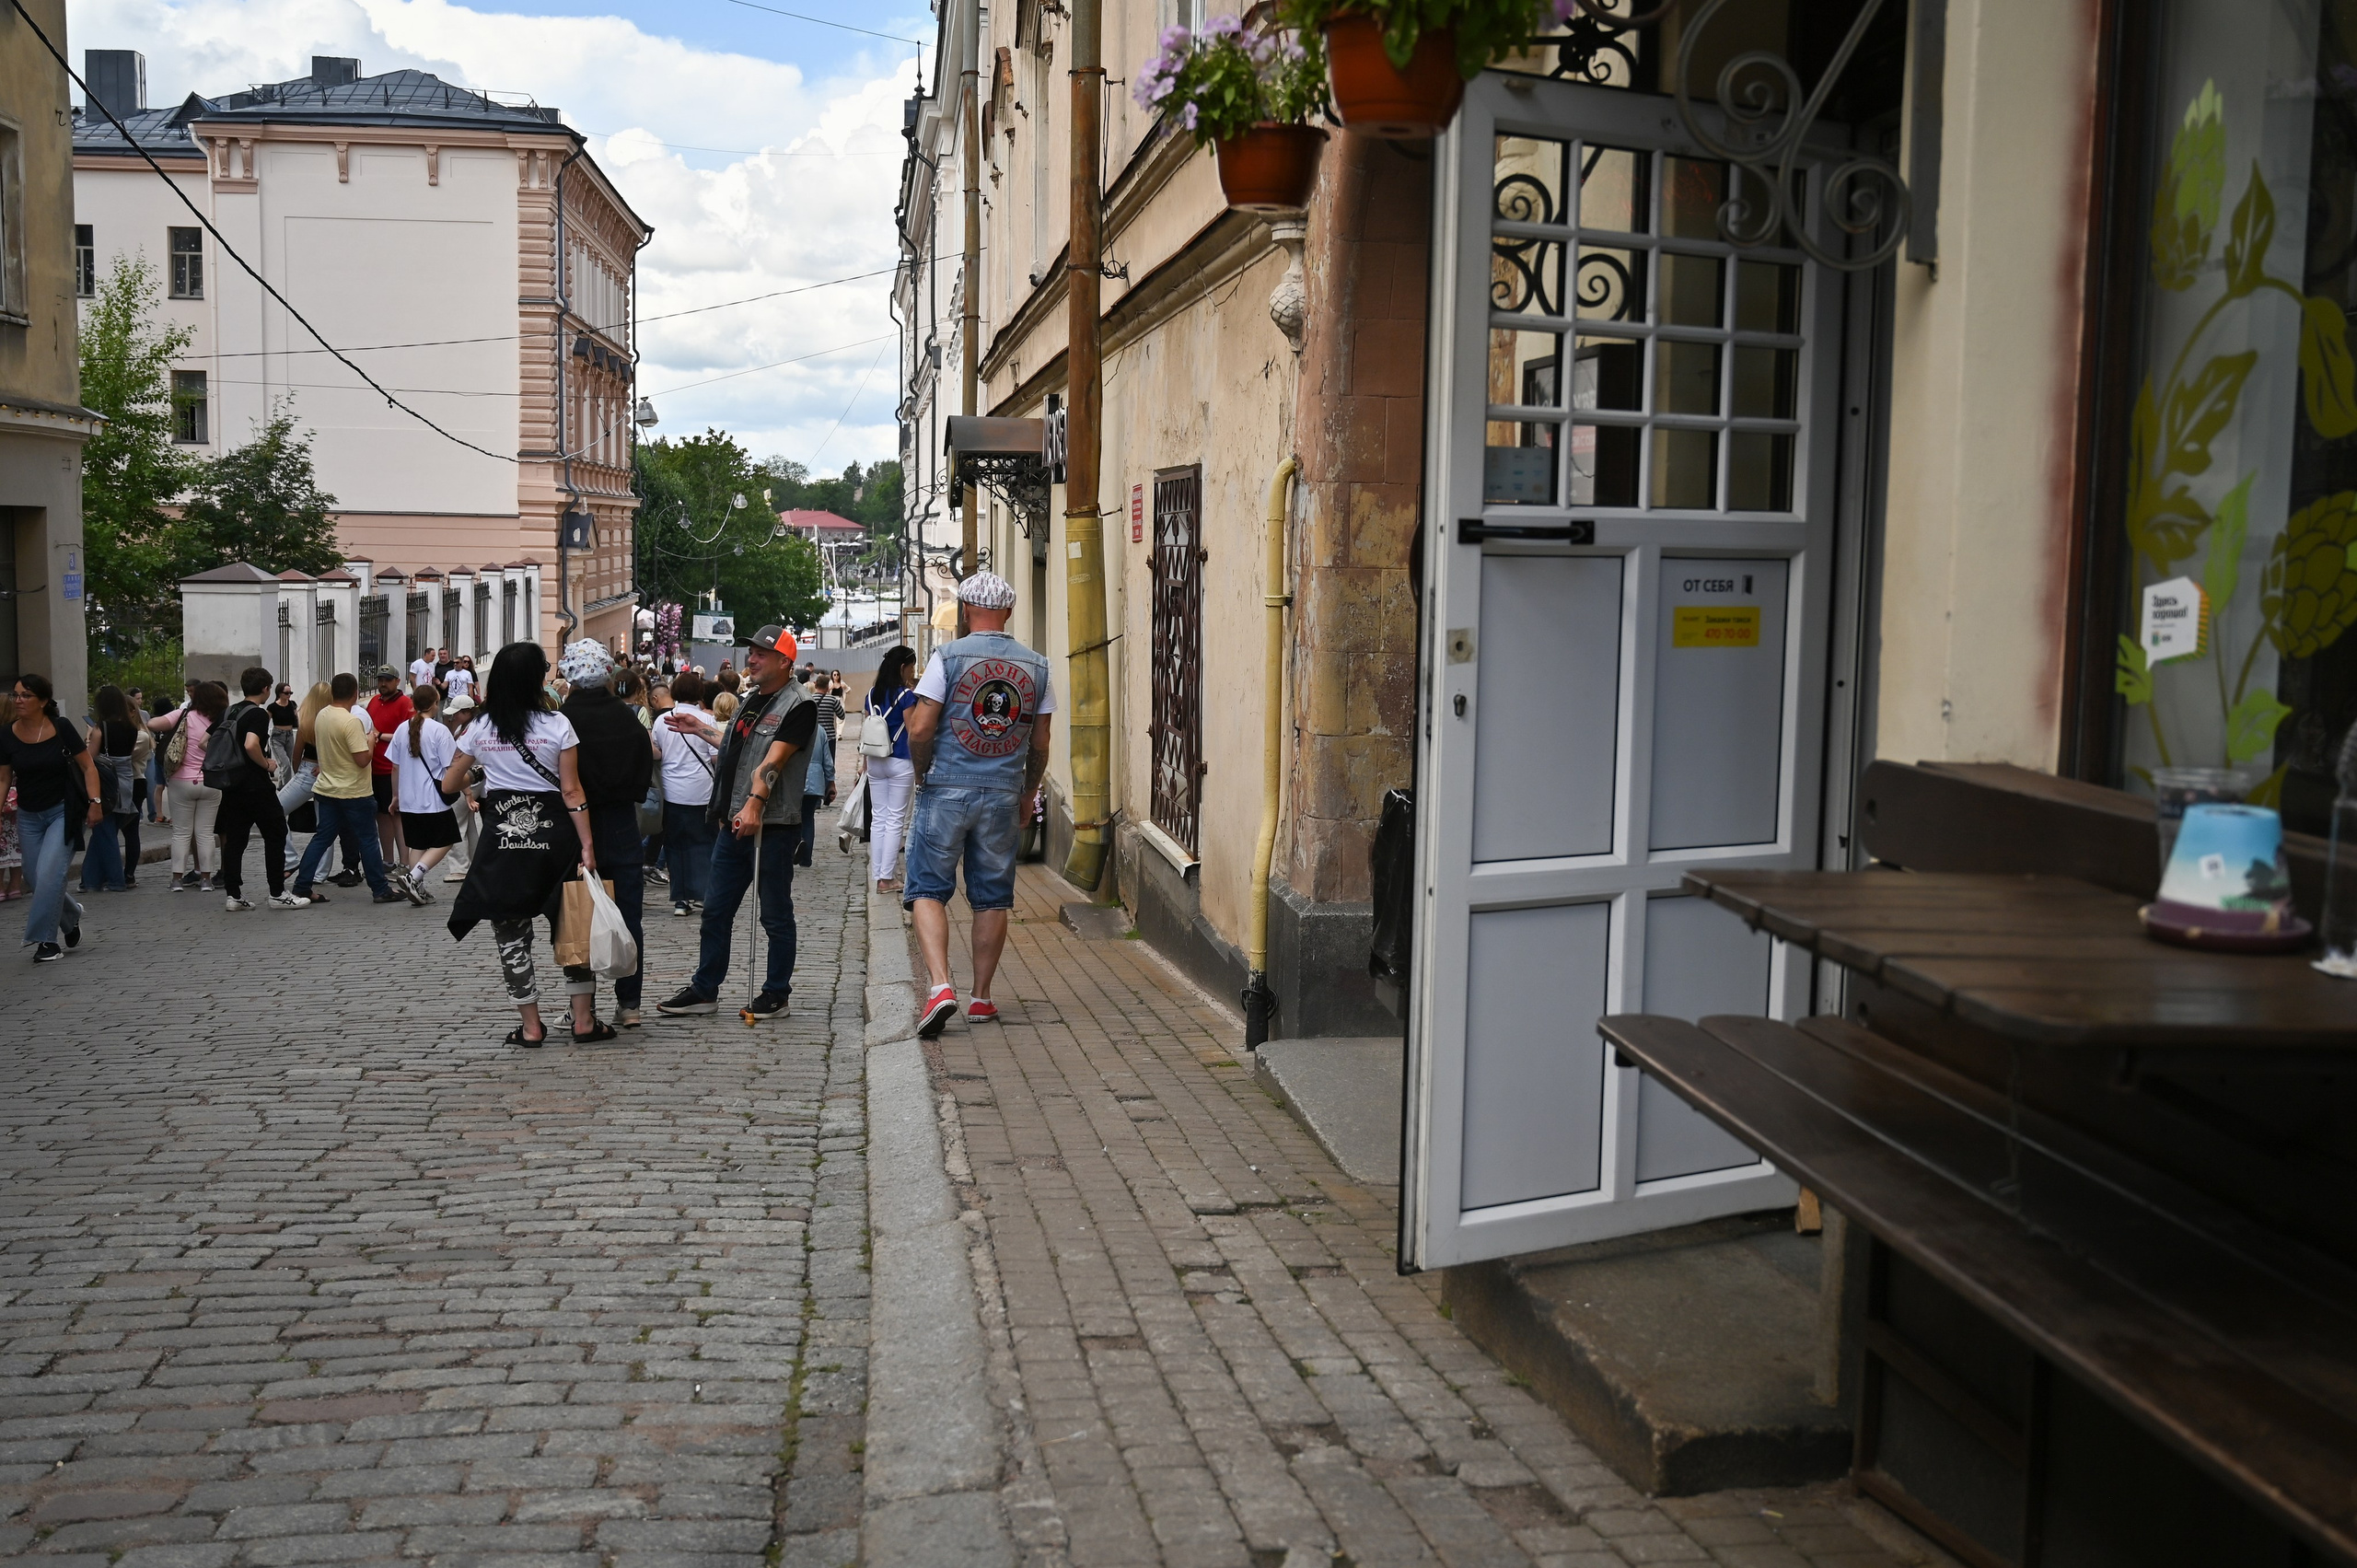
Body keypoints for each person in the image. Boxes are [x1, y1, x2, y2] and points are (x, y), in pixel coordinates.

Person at [903, 573, 1054, 1037]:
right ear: (1008, 612)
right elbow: (1041, 742)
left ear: (967, 610)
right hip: (1003, 792)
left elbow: (921, 728)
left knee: (928, 887)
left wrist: (922, 770)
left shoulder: (946, 658)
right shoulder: (1038, 667)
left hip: (946, 787)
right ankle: (982, 998)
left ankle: (941, 987)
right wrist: (1028, 792)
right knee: (991, 895)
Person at [654, 625, 815, 1021]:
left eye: (761, 653)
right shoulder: (750, 700)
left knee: (775, 915)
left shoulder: (799, 705)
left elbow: (773, 761)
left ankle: (776, 992)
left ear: (784, 661)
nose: (752, 658)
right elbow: (738, 745)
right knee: (715, 911)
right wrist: (701, 729)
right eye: (751, 651)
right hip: (731, 825)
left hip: (771, 828)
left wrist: (756, 804)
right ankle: (704, 989)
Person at [443, 641, 598, 1048]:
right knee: (574, 927)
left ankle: (531, 1027)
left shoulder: (478, 728)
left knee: (510, 933)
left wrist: (480, 776)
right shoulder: (558, 726)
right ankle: (583, 1021)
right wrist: (587, 845)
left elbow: (447, 783)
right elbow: (572, 791)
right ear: (534, 678)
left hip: (504, 842)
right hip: (557, 841)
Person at [558, 642, 654, 1030]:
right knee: (628, 914)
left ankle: (583, 1006)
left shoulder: (563, 719)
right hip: (620, 821)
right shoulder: (627, 717)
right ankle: (629, 1002)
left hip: (575, 825)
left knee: (579, 912)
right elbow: (644, 765)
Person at [2, 674, 103, 961]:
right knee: (36, 879)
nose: (18, 700)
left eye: (26, 696)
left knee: (49, 875)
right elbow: (3, 779)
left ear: (44, 701)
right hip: (28, 816)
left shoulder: (61, 727)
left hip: (63, 811)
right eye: (16, 695)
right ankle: (70, 914)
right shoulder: (7, 734)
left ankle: (46, 942)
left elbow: (88, 767)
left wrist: (95, 803)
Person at [291, 673, 402, 905]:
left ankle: (302, 885)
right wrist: (371, 741)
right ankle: (380, 889)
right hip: (354, 791)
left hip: (327, 789)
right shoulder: (351, 721)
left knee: (321, 838)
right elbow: (362, 760)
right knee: (368, 840)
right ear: (354, 693)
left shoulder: (322, 714)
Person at [215, 666, 307, 912]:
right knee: (276, 833)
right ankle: (277, 892)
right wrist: (266, 763)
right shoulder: (257, 714)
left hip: (232, 785)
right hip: (255, 784)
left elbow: (206, 742)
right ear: (266, 689)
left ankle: (233, 895)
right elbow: (250, 744)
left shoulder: (229, 712)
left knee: (235, 839)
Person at [652, 671, 718, 919]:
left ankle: (681, 898)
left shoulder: (662, 720)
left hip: (672, 790)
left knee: (675, 845)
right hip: (702, 789)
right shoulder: (706, 720)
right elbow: (714, 756)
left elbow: (657, 753)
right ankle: (703, 892)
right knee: (704, 842)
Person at [150, 680, 226, 891]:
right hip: (211, 782)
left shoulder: (184, 715)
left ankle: (176, 880)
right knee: (205, 833)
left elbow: (153, 725)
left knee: (182, 832)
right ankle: (207, 880)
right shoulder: (222, 719)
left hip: (181, 781)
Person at [392, 682, 462, 901]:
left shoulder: (401, 728)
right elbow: (452, 765)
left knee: (418, 844)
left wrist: (396, 796)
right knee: (446, 839)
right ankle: (414, 878)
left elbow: (395, 766)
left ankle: (417, 887)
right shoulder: (439, 730)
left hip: (409, 798)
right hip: (433, 799)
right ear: (435, 703)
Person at [860, 646, 920, 895]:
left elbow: (867, 727)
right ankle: (888, 878)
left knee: (879, 818)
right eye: (912, 667)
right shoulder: (906, 696)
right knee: (895, 820)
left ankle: (879, 876)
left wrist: (864, 764)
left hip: (875, 759)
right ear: (903, 667)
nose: (912, 672)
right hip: (900, 760)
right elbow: (914, 731)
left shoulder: (872, 694)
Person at [80, 685, 148, 892]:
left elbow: (90, 759)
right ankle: (89, 880)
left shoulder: (102, 728)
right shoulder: (131, 727)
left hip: (105, 781)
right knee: (103, 832)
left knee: (105, 832)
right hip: (126, 780)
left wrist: (89, 737)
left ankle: (116, 879)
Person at [366, 666, 412, 872]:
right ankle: (388, 860)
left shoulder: (405, 703)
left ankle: (405, 862)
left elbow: (409, 735)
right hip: (373, 768)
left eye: (387, 679)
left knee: (397, 815)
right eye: (380, 679)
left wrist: (379, 735)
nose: (383, 684)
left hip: (394, 769)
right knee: (381, 815)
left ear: (397, 681)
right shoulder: (373, 702)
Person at [795, 673, 837, 867]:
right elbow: (827, 761)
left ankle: (795, 849)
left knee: (794, 819)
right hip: (815, 780)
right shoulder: (820, 731)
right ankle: (806, 857)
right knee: (808, 818)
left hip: (795, 780)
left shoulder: (792, 727)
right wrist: (831, 782)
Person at [443, 693, 483, 881]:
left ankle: (459, 866)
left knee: (455, 821)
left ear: (467, 712)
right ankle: (473, 863)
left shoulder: (471, 729)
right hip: (473, 777)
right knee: (468, 824)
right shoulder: (468, 726)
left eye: (457, 713)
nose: (454, 717)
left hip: (468, 777)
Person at [267, 683, 299, 781]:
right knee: (285, 764)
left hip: (289, 735)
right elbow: (265, 722)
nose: (289, 695)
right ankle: (284, 789)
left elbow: (296, 720)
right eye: (286, 693)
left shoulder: (292, 705)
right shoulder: (272, 707)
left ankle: (284, 788)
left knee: (290, 763)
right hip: (277, 736)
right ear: (279, 693)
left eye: (290, 693)